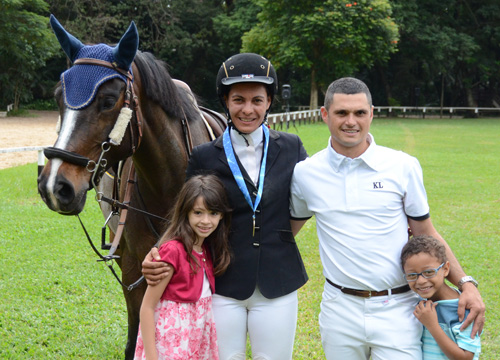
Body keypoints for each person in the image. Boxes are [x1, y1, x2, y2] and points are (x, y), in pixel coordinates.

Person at [289, 77, 485, 359]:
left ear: (371, 113)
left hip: (400, 307)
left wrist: (466, 283)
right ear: (324, 115)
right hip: (339, 307)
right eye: (341, 113)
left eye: (359, 113)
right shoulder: (306, 173)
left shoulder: (402, 166)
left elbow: (426, 233)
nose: (351, 122)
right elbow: (287, 233)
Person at [142, 53, 308, 360]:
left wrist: (280, 235)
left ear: (269, 102)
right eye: (238, 100)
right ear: (226, 102)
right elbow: (186, 216)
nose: (248, 109)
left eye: (257, 100)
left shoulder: (292, 148)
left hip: (278, 279)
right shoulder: (204, 155)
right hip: (221, 279)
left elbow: (302, 206)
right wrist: (158, 252)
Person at [134, 175, 232, 360]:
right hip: (170, 344)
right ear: (185, 212)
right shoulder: (173, 250)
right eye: (198, 212)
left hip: (195, 343)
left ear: (221, 215)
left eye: (213, 213)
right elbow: (147, 307)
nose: (206, 221)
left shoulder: (206, 251)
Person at [401, 235, 481, 359]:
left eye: (428, 272)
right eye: (412, 275)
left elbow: (466, 357)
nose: (421, 281)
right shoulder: (420, 303)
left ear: (445, 269)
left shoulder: (462, 308)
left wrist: (432, 325)